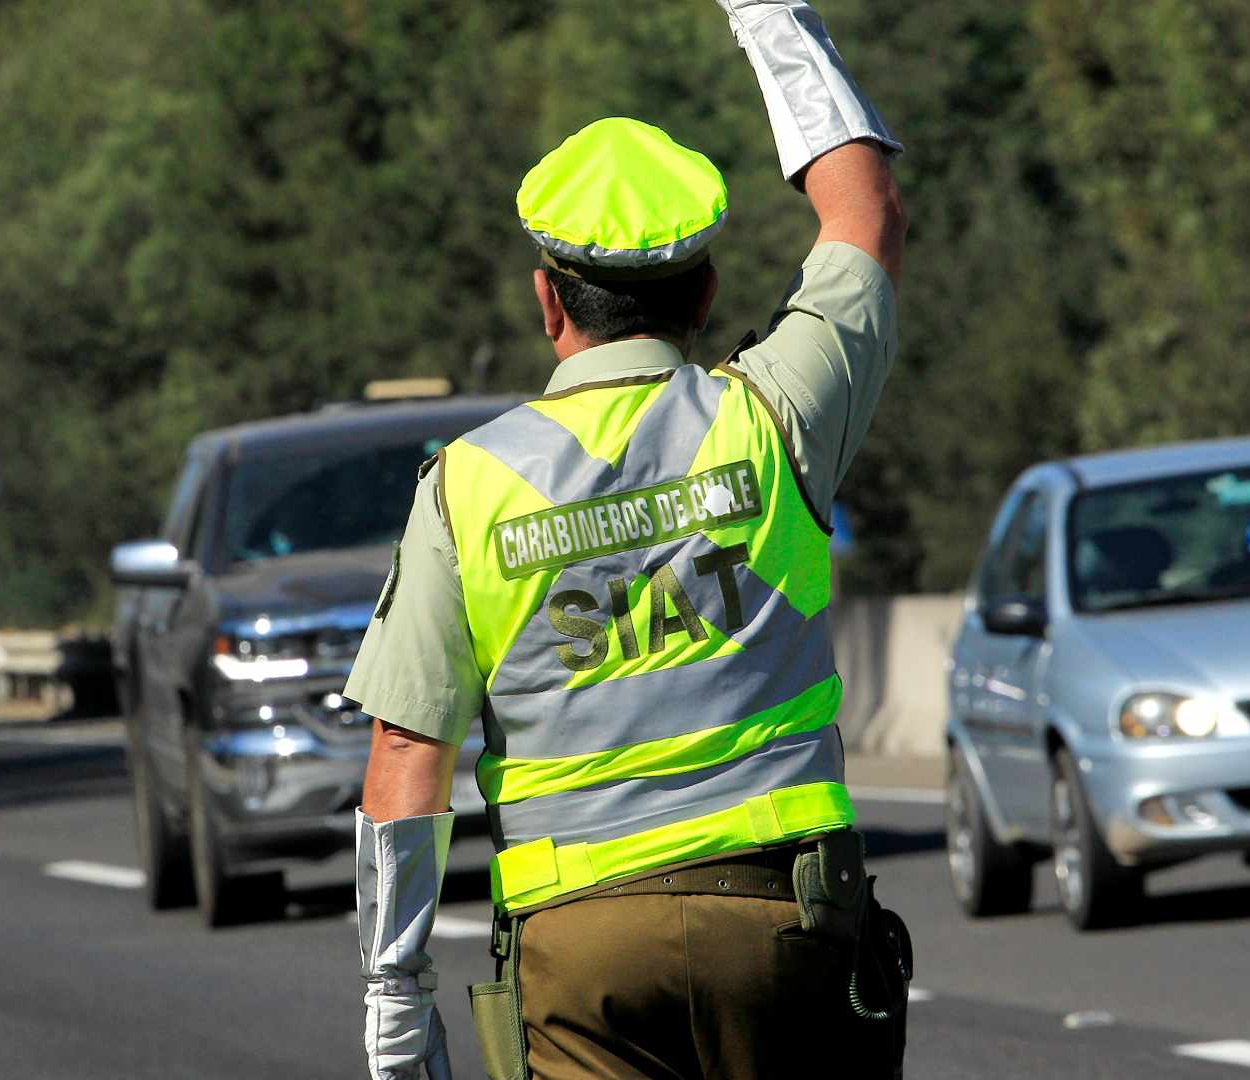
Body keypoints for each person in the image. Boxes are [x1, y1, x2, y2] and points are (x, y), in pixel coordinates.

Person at [346, 2, 909, 1077]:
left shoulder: (467, 489)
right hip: (782, 923)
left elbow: (407, 755)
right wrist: (770, 15)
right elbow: (864, 211)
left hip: (578, 949)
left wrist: (395, 998)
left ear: (547, 301)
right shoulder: (777, 416)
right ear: (703, 292)